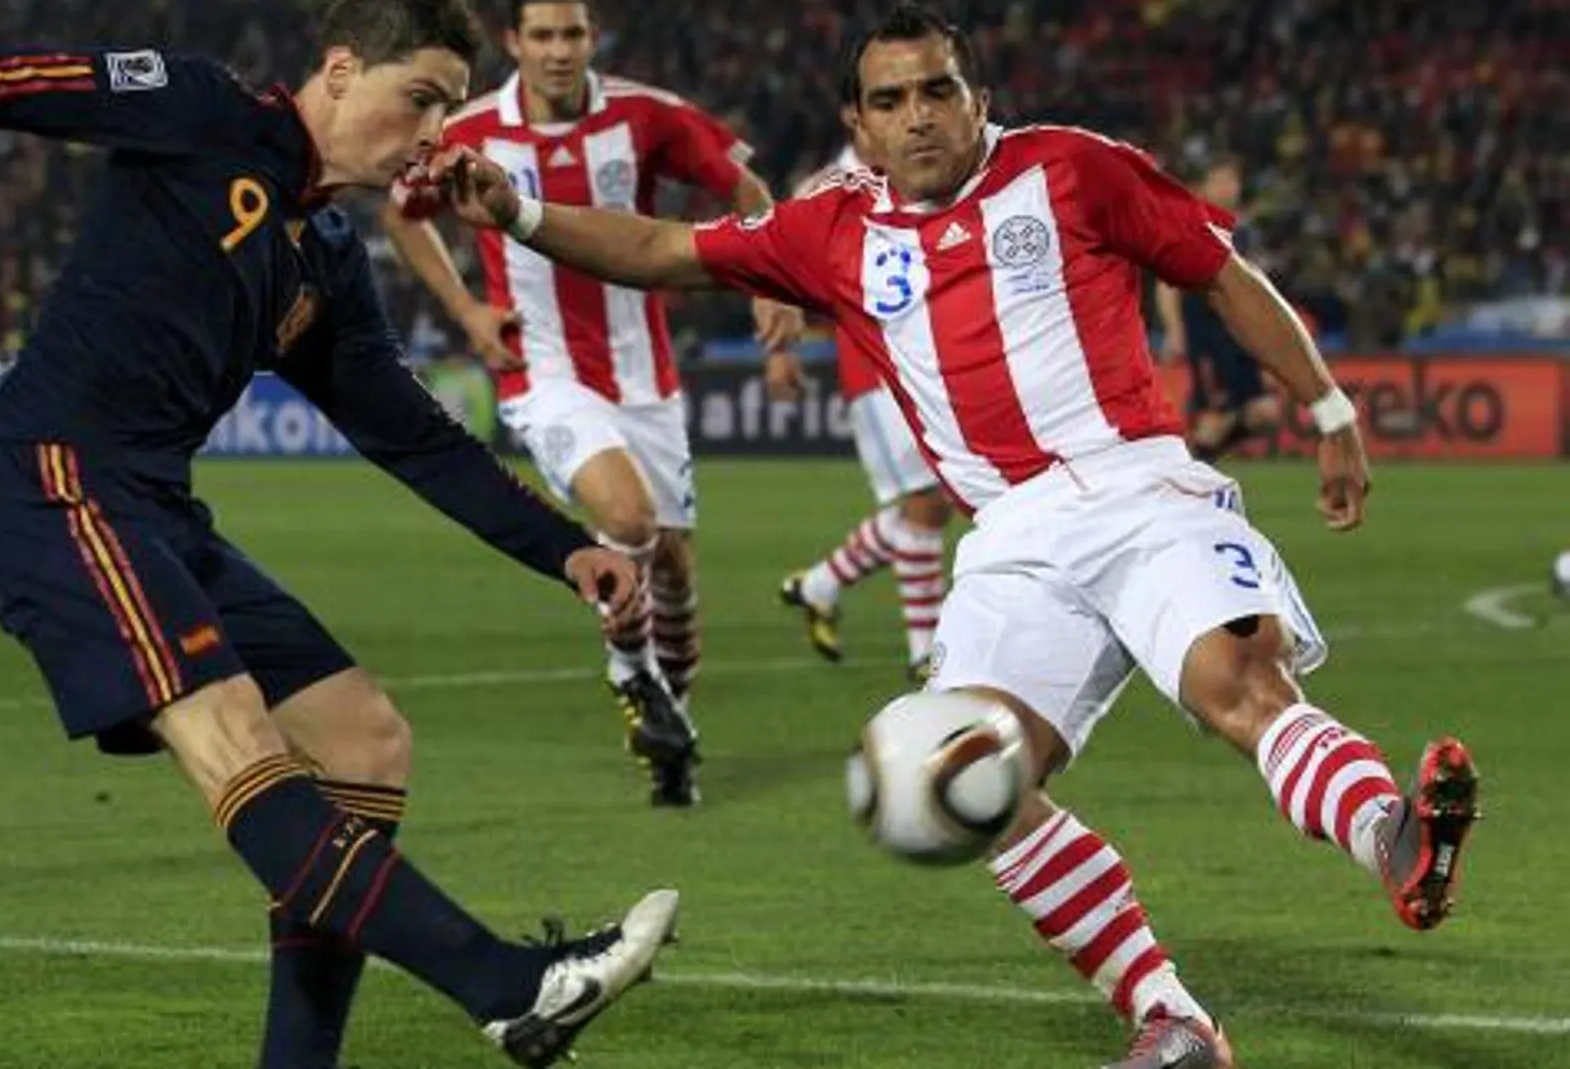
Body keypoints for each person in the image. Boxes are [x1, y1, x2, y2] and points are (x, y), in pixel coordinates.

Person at [427, 5, 1482, 1065]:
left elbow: (1219, 273)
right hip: (1013, 539)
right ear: (859, 121)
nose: (919, 117)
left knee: (1236, 684)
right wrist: (517, 210)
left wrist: (1330, 409)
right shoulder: (831, 228)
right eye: (891, 100)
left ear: (979, 99)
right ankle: (1170, 1019)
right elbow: (661, 245)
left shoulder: (1072, 169)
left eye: (939, 90)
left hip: (1138, 488)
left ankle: (1391, 835)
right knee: (952, 775)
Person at [0, 3, 677, 1066]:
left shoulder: (327, 257)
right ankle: (506, 983)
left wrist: (562, 545)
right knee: (232, 726)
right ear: (340, 71)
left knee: (361, 732)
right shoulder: (200, 109)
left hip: (150, 506)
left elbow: (413, 437)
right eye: (419, 98)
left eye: (450, 109)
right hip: (46, 479)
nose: (435, 134)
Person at [383, 0, 807, 807]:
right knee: (631, 516)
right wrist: (466, 309)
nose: (558, 50)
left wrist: (770, 278)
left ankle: (669, 725)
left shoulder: (647, 116)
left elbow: (745, 186)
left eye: (572, 33)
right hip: (542, 369)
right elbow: (404, 215)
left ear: (592, 38)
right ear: (514, 42)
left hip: (644, 375)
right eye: (541, 35)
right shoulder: (470, 130)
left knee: (676, 572)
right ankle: (627, 670)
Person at [769, 123, 955, 681]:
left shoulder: (921, 172)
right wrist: (783, 347)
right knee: (924, 502)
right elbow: (775, 259)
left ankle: (819, 583)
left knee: (929, 504)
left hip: (926, 363)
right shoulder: (827, 187)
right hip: (871, 365)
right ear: (855, 117)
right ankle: (926, 653)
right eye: (887, 102)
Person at [1154, 158, 1282, 461]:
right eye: (1220, 181)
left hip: (1241, 340)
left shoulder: (1245, 232)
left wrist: (1266, 354)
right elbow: (1165, 283)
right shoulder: (1191, 226)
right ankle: (1189, 476)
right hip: (1208, 338)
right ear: (1203, 187)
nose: (1228, 188)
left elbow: (1255, 293)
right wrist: (1175, 330)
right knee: (1214, 418)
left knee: (1264, 413)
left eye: (1232, 181)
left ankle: (1199, 462)